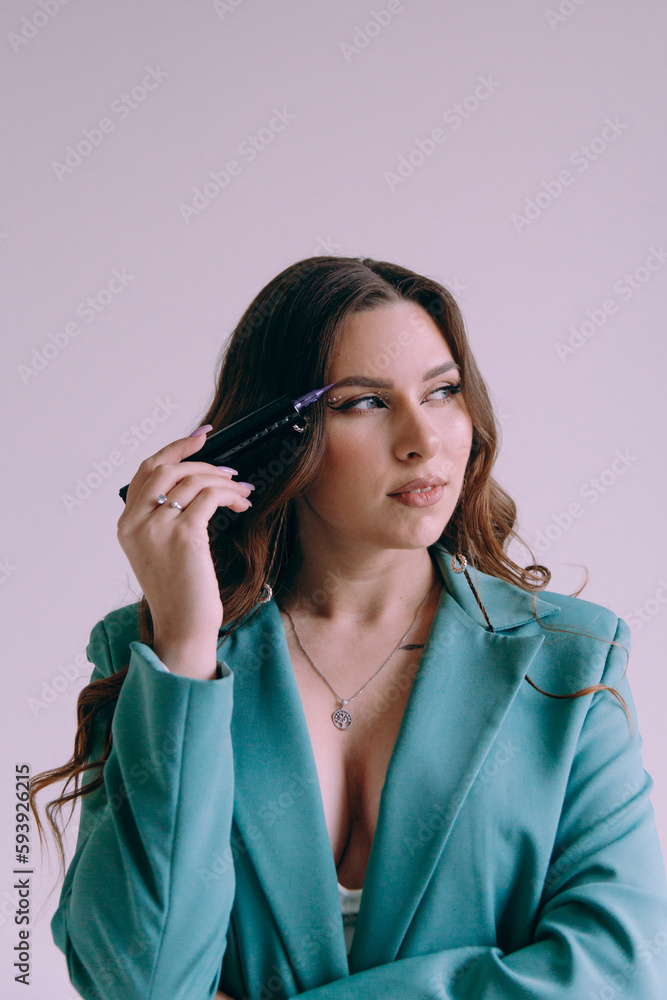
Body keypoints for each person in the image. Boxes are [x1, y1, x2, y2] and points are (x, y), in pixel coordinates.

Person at [30, 256, 667, 999]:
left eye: (444, 392)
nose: (423, 440)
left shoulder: (569, 657)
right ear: (271, 436)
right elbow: (143, 983)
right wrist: (184, 652)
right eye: (364, 403)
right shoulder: (158, 658)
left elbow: (621, 970)